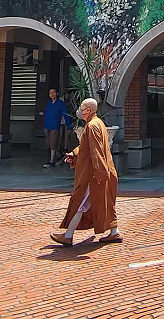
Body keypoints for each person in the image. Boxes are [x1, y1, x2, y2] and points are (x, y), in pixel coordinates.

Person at [51, 98, 122, 246]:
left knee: (80, 203)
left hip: (94, 175)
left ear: (88, 110)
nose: (79, 110)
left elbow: (96, 151)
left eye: (82, 107)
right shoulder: (97, 123)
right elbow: (87, 148)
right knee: (106, 202)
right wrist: (74, 154)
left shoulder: (92, 126)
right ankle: (114, 232)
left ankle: (68, 235)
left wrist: (99, 173)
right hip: (103, 171)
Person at [42, 87, 71, 168]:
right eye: (50, 93)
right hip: (47, 125)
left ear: (57, 94)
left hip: (55, 126)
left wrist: (69, 126)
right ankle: (59, 155)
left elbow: (65, 114)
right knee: (48, 142)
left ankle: (51, 161)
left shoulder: (60, 103)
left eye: (53, 92)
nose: (52, 94)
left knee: (53, 142)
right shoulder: (48, 103)